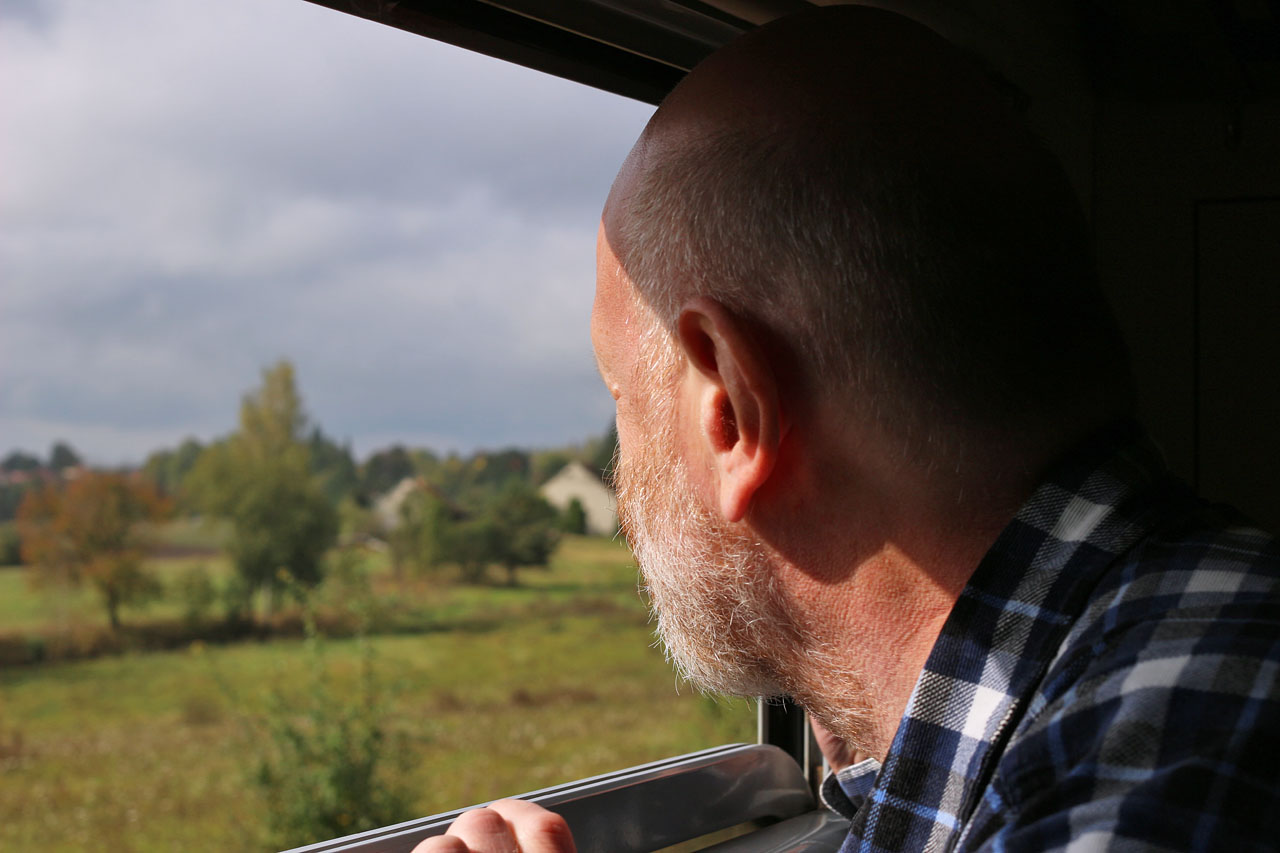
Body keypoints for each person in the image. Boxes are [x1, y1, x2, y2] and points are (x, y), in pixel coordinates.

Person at [415, 6, 1280, 852]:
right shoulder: (1132, 666)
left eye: (623, 406)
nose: (618, 477)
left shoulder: (1153, 781)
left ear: (732, 411)